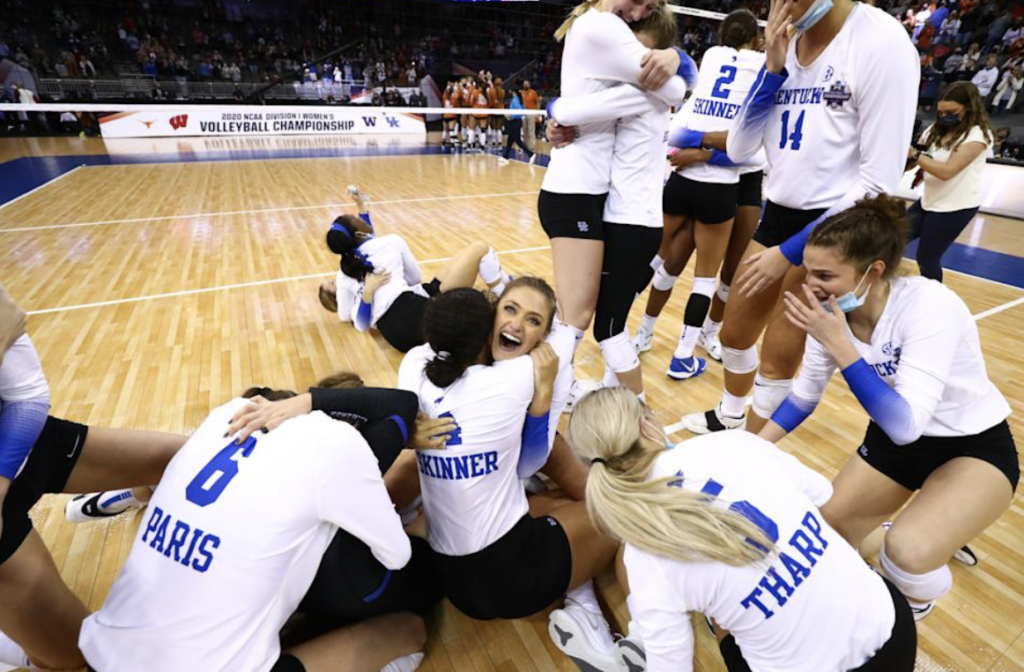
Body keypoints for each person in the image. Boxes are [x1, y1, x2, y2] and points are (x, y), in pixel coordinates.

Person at [757, 194, 1017, 621]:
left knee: (907, 555)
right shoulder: (833, 312)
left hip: (971, 447)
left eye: (825, 275)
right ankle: (915, 526)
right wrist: (752, 447)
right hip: (893, 445)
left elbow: (905, 425)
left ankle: (912, 602)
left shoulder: (929, 305)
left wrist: (840, 344)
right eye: (807, 273)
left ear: (873, 271)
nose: (810, 287)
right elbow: (804, 397)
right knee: (821, 539)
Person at [673, 0, 919, 435]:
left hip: (838, 228)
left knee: (780, 356)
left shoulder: (880, 41)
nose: (778, 5)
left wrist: (790, 252)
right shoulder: (786, 45)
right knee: (733, 335)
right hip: (779, 213)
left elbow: (879, 181)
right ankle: (732, 415)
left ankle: (752, 449)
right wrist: (771, 69)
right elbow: (742, 145)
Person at [567, 386, 918, 672]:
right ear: (647, 426)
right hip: (897, 631)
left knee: (721, 616)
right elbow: (823, 496)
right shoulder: (734, 443)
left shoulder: (643, 554)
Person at [78, 387, 425, 672]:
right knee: (410, 631)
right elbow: (398, 554)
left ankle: (129, 494)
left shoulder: (223, 417)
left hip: (102, 651)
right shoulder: (331, 444)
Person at [398, 284, 622, 671]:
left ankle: (576, 589)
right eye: (510, 310)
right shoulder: (522, 375)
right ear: (489, 319)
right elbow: (531, 461)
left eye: (532, 320)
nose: (516, 325)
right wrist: (545, 392)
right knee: (613, 514)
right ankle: (587, 614)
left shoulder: (415, 364)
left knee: (546, 504)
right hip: (513, 576)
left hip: (455, 582)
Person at [0, 289, 186, 671]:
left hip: (20, 432)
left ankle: (129, 494)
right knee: (76, 658)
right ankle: (18, 644)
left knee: (190, 460)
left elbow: (28, 393)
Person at [538, 0, 693, 401]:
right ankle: (556, 396)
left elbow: (572, 105)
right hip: (588, 201)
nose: (638, 14)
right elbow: (670, 88)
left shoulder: (642, 94)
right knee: (583, 319)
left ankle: (625, 410)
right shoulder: (608, 38)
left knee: (598, 322)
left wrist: (678, 60)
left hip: (621, 215)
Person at [630, 9, 765, 381]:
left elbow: (679, 136)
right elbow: (751, 149)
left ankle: (704, 334)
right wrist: (713, 148)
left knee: (724, 269)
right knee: (684, 264)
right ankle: (666, 341)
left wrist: (702, 149)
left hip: (735, 180)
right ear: (757, 41)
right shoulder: (760, 72)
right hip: (725, 181)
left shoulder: (715, 67)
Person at [319, 187, 511, 353]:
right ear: (359, 233)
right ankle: (505, 294)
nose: (358, 218)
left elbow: (347, 315)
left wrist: (363, 209)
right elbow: (415, 278)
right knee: (479, 249)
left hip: (396, 337)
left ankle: (505, 285)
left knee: (457, 263)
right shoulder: (391, 242)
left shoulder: (344, 273)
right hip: (416, 312)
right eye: (354, 218)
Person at [905, 82, 994, 282]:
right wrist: (905, 158)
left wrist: (915, 153)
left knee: (927, 258)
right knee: (892, 239)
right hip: (929, 201)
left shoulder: (978, 135)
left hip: (955, 207)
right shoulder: (935, 130)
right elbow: (920, 162)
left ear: (969, 107)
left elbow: (947, 172)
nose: (945, 116)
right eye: (941, 112)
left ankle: (934, 303)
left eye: (951, 112)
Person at [498, 90, 536, 165]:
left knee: (517, 140)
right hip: (515, 122)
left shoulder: (515, 99)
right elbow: (523, 108)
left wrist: (511, 115)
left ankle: (531, 154)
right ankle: (505, 157)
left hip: (515, 122)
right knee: (510, 140)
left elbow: (520, 112)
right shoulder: (519, 99)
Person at [520, 80, 541, 152]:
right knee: (524, 131)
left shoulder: (533, 93)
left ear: (529, 85)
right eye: (524, 84)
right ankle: (526, 146)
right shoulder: (521, 93)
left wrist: (537, 113)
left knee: (531, 130)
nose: (525, 85)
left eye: (527, 84)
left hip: (531, 113)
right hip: (523, 113)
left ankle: (532, 146)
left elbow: (537, 103)